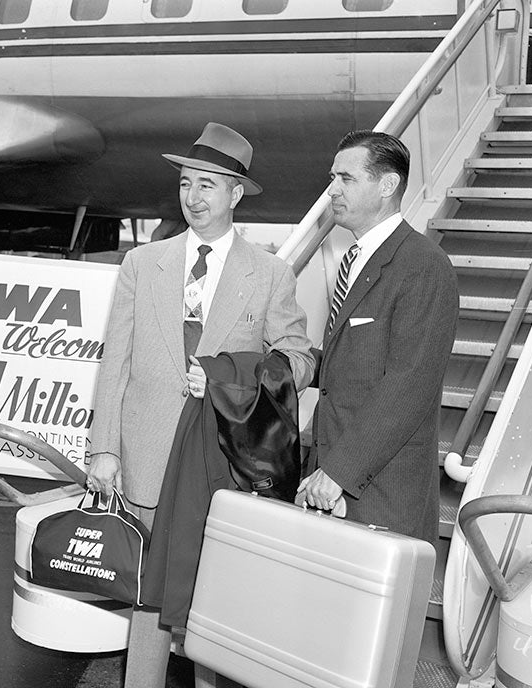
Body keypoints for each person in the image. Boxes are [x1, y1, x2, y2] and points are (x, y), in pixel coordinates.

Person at [87, 122, 315, 688]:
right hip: (146, 456)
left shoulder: (270, 274)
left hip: (220, 463)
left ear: (236, 194)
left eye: (208, 185)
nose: (194, 197)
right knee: (148, 602)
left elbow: (300, 359)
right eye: (187, 183)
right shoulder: (143, 264)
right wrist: (104, 449)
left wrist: (229, 378)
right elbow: (114, 360)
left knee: (215, 599)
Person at [299, 130, 459, 544]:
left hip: (379, 493)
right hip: (332, 485)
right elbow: (350, 367)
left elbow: (410, 383)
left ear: (387, 185)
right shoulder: (356, 261)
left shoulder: (423, 266)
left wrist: (339, 471)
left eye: (346, 179)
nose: (332, 189)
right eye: (332, 177)